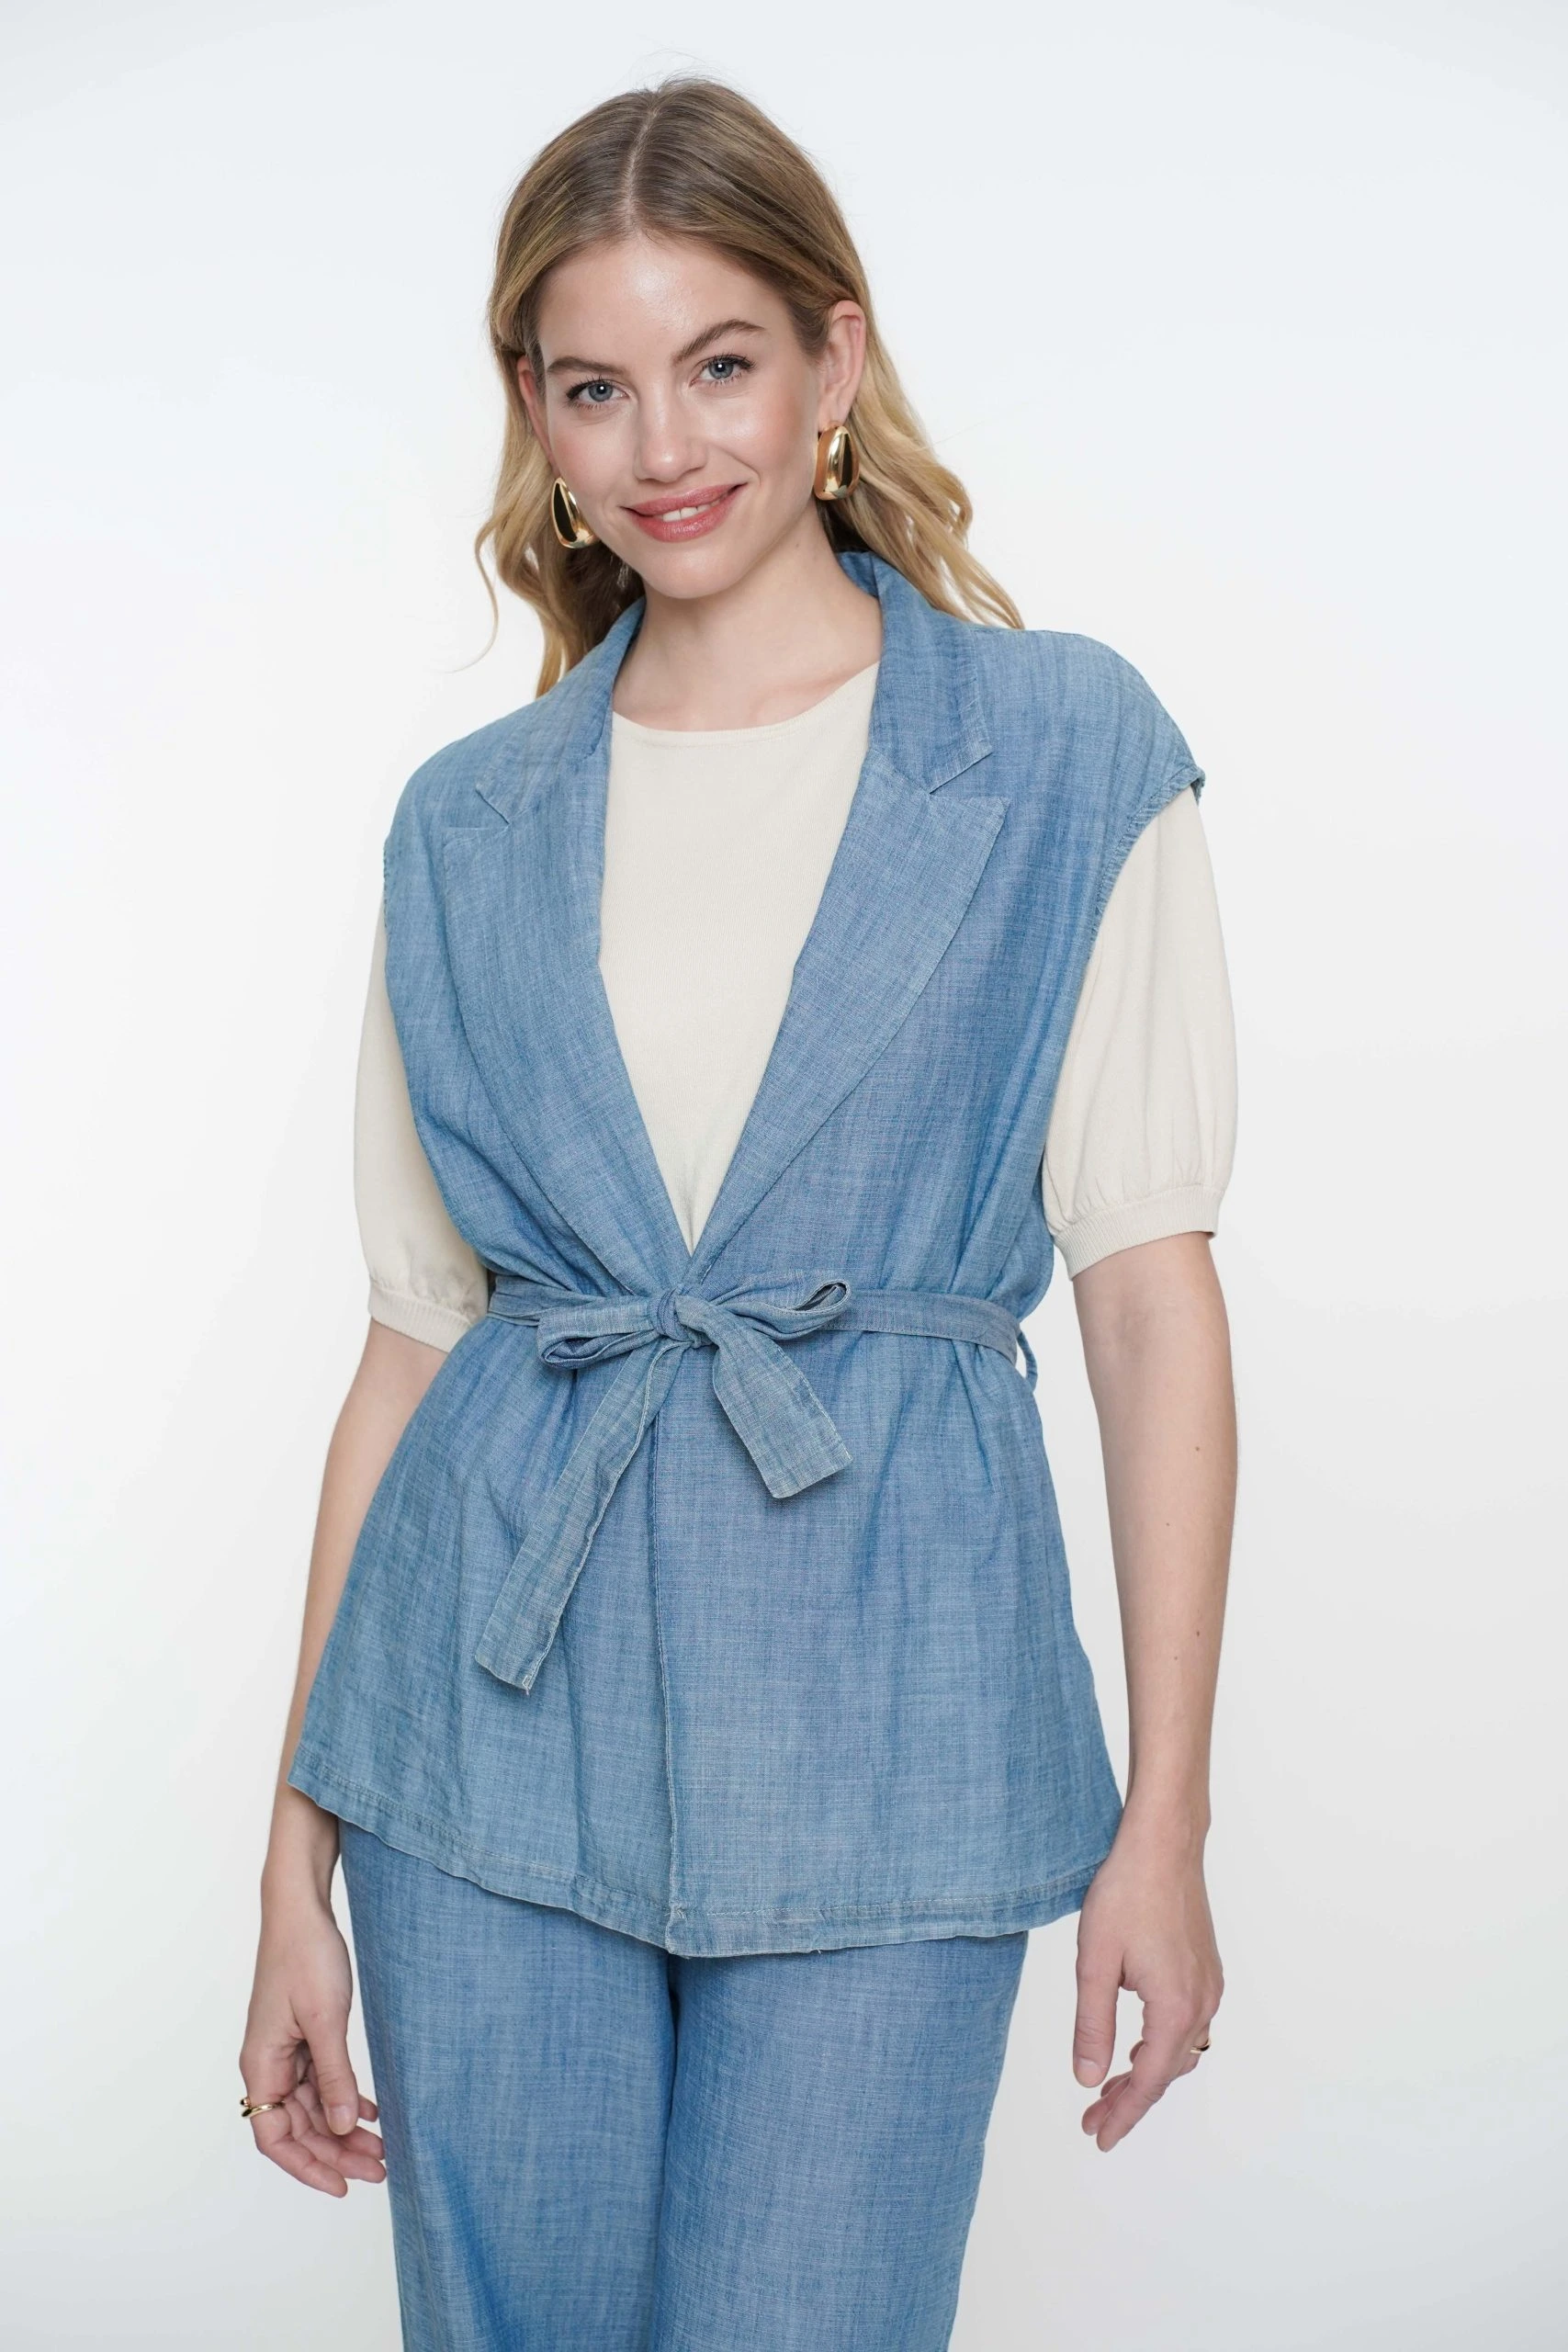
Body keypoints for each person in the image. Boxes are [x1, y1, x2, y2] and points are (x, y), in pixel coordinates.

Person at [240, 74, 1236, 2352]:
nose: (663, 443)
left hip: (893, 1696)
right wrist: (294, 1855)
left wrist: (1163, 1824)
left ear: (831, 360)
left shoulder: (1060, 750)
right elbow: (411, 1347)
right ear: (535, 413)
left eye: (719, 363)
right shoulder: (465, 823)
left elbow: (1148, 1302)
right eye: (594, 385)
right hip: (483, 1717)